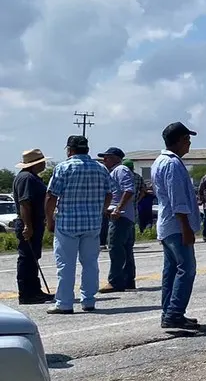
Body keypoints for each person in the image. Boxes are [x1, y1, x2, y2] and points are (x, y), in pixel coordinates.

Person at [44, 135, 112, 315]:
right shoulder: (100, 168)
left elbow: (51, 196)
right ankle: (88, 300)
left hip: (67, 223)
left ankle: (64, 303)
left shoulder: (63, 167)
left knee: (66, 265)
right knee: (90, 263)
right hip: (92, 223)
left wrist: (49, 219)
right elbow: (109, 194)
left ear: (70, 150)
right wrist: (100, 210)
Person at [152, 123, 200, 329]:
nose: (189, 144)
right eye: (187, 139)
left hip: (167, 224)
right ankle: (174, 312)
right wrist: (186, 227)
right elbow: (177, 199)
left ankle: (169, 312)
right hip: (176, 225)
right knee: (186, 269)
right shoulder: (171, 164)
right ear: (180, 140)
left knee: (171, 270)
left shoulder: (160, 161)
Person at [13, 149, 52, 305]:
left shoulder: (31, 177)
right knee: (27, 258)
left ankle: (35, 291)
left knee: (33, 257)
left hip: (34, 221)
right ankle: (26, 294)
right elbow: (25, 203)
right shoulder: (27, 178)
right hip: (29, 222)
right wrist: (28, 226)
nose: (44, 164)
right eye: (41, 162)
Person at [98, 146, 137, 293]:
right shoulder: (115, 171)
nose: (104, 160)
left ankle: (115, 281)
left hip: (120, 216)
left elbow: (129, 189)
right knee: (125, 249)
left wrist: (118, 208)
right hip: (124, 216)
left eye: (107, 157)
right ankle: (128, 280)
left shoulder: (120, 170)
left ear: (115, 158)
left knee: (115, 248)